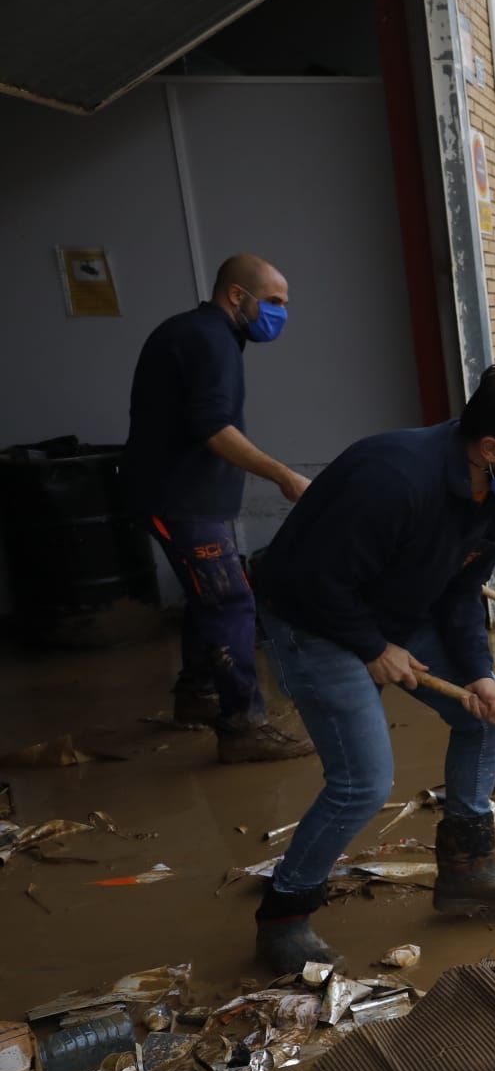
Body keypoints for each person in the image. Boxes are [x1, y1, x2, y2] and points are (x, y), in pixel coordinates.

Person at [248, 365, 495, 972]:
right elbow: (308, 579)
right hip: (311, 615)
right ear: (491, 447)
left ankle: (467, 869)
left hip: (393, 608)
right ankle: (284, 915)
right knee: (362, 783)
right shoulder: (390, 476)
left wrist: (478, 671)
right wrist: (374, 647)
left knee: (487, 714)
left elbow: (462, 590)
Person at [124, 253, 314, 763]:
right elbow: (213, 429)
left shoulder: (204, 335)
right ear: (236, 295)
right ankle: (241, 725)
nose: (281, 314)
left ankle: (197, 695)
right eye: (273, 302)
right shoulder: (208, 340)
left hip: (188, 497)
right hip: (179, 499)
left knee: (207, 596)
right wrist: (285, 475)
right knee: (230, 602)